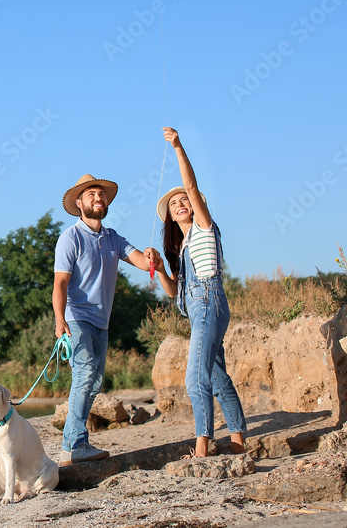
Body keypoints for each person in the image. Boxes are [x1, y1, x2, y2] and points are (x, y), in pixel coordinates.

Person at [150, 128, 247, 458]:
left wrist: (178, 146)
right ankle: (237, 445)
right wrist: (161, 269)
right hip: (200, 310)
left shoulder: (204, 227)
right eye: (173, 204)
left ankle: (202, 448)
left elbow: (190, 185)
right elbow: (175, 292)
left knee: (195, 379)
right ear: (169, 217)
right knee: (218, 378)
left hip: (209, 303)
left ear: (196, 205)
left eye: (184, 201)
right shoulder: (184, 248)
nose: (180, 204)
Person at [53, 174, 158, 465]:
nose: (97, 199)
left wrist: (151, 257)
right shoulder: (69, 238)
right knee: (85, 374)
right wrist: (59, 320)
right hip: (76, 318)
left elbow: (139, 260)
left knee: (94, 382)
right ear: (79, 202)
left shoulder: (113, 238)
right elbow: (60, 284)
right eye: (91, 195)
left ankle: (78, 445)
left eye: (101, 195)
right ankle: (72, 446)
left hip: (102, 322)